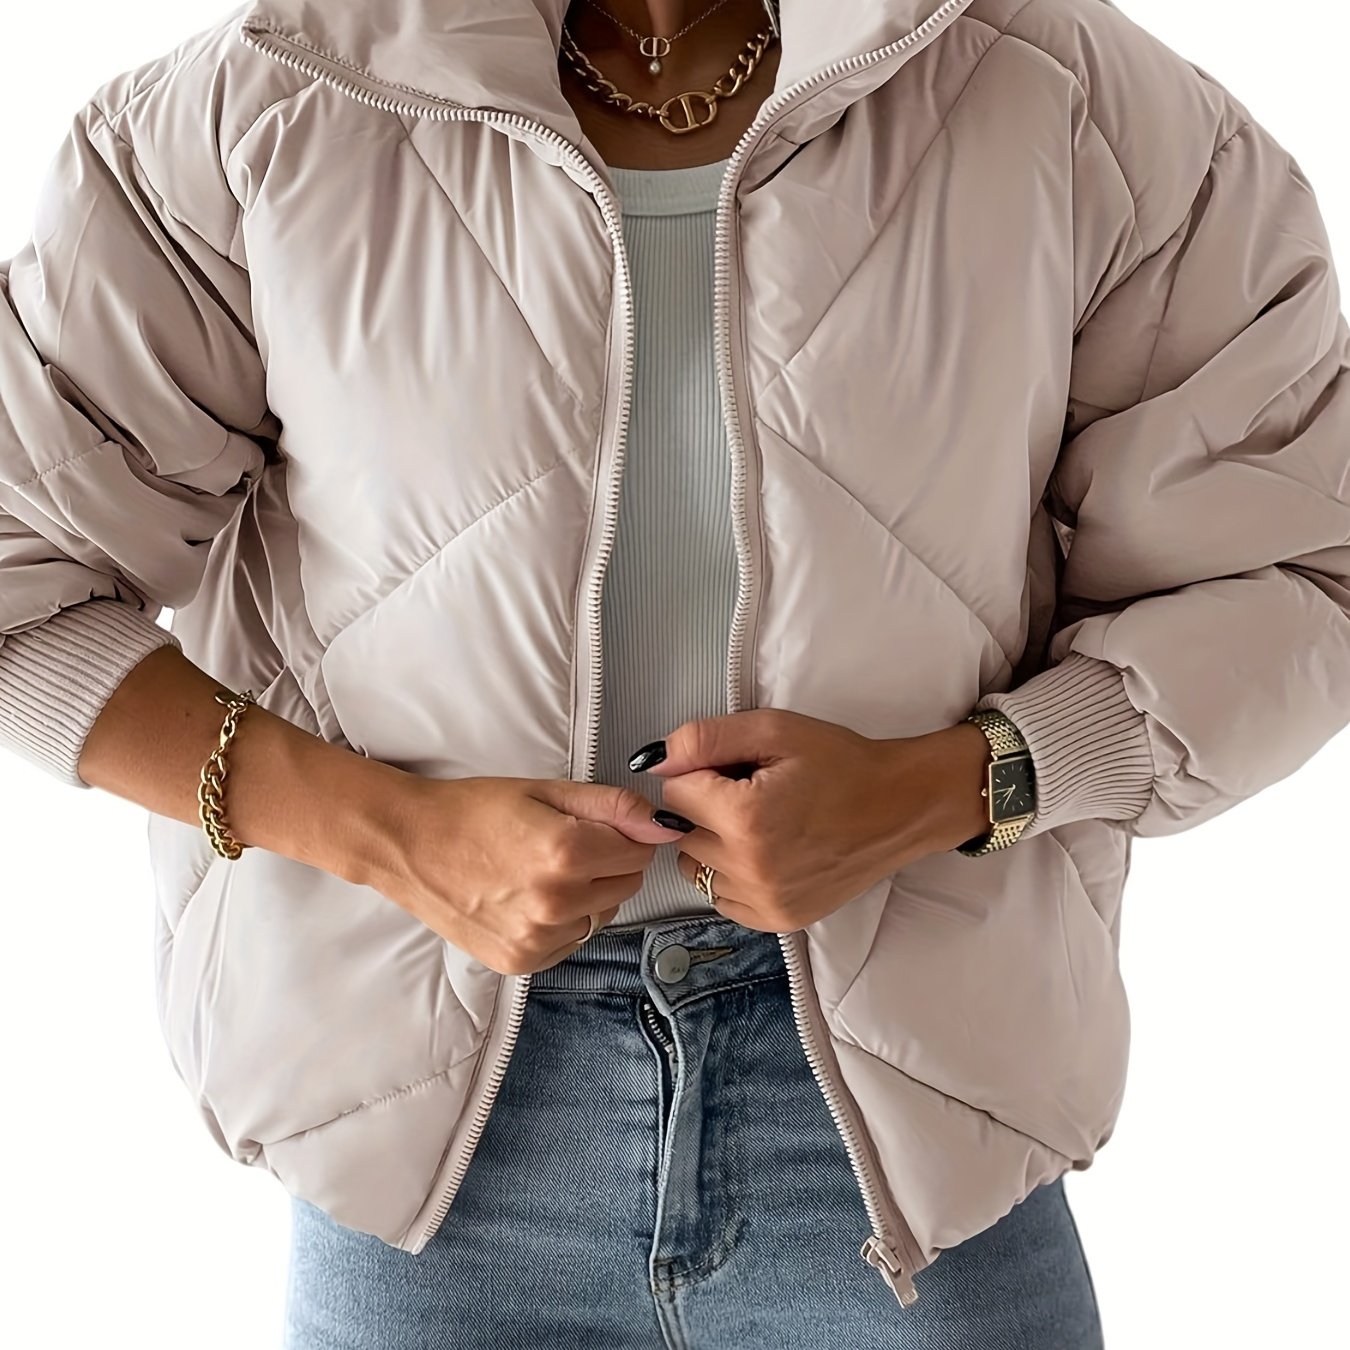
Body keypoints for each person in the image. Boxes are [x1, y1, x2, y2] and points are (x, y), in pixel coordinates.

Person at [2, 0, 1347, 1344]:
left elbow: (1297, 573)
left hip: (918, 1114)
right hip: (425, 1137)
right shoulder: (265, 109)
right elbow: (22, 576)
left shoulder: (1064, 97)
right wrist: (394, 834)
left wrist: (951, 786)